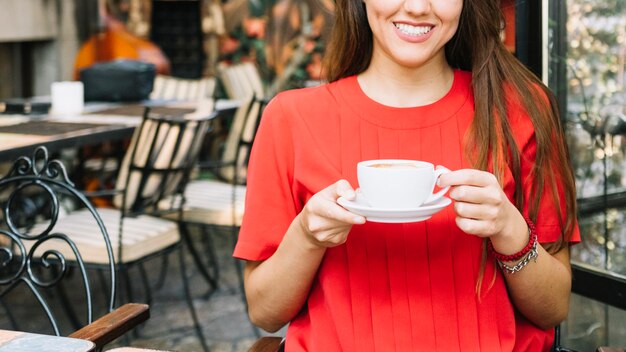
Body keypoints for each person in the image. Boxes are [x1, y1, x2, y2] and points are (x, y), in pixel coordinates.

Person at [233, 0, 580, 351]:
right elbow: (265, 312)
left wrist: (510, 230)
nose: (416, 7)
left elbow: (553, 308)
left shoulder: (522, 109)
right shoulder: (290, 118)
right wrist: (306, 237)